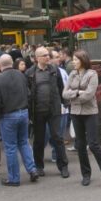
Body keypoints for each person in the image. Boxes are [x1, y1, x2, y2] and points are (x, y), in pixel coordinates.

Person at [63, 49, 101, 189]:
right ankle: (86, 174)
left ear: (83, 60)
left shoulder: (92, 74)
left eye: (76, 59)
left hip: (90, 113)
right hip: (75, 113)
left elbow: (89, 95)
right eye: (73, 59)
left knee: (93, 145)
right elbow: (64, 93)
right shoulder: (72, 74)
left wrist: (75, 95)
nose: (73, 62)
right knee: (80, 145)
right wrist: (78, 92)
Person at [0, 54, 38, 186]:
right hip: (23, 112)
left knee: (10, 147)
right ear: (12, 62)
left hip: (7, 115)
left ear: (0, 65)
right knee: (24, 142)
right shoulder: (21, 75)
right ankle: (32, 169)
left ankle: (14, 178)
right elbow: (29, 94)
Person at [25, 46, 69, 178]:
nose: (47, 57)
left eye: (48, 55)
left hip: (54, 109)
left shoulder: (55, 70)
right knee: (38, 140)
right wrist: (28, 113)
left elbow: (61, 87)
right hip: (37, 111)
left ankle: (63, 166)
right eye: (44, 55)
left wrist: (64, 103)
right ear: (37, 58)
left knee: (57, 138)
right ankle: (38, 166)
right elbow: (27, 94)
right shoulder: (30, 73)